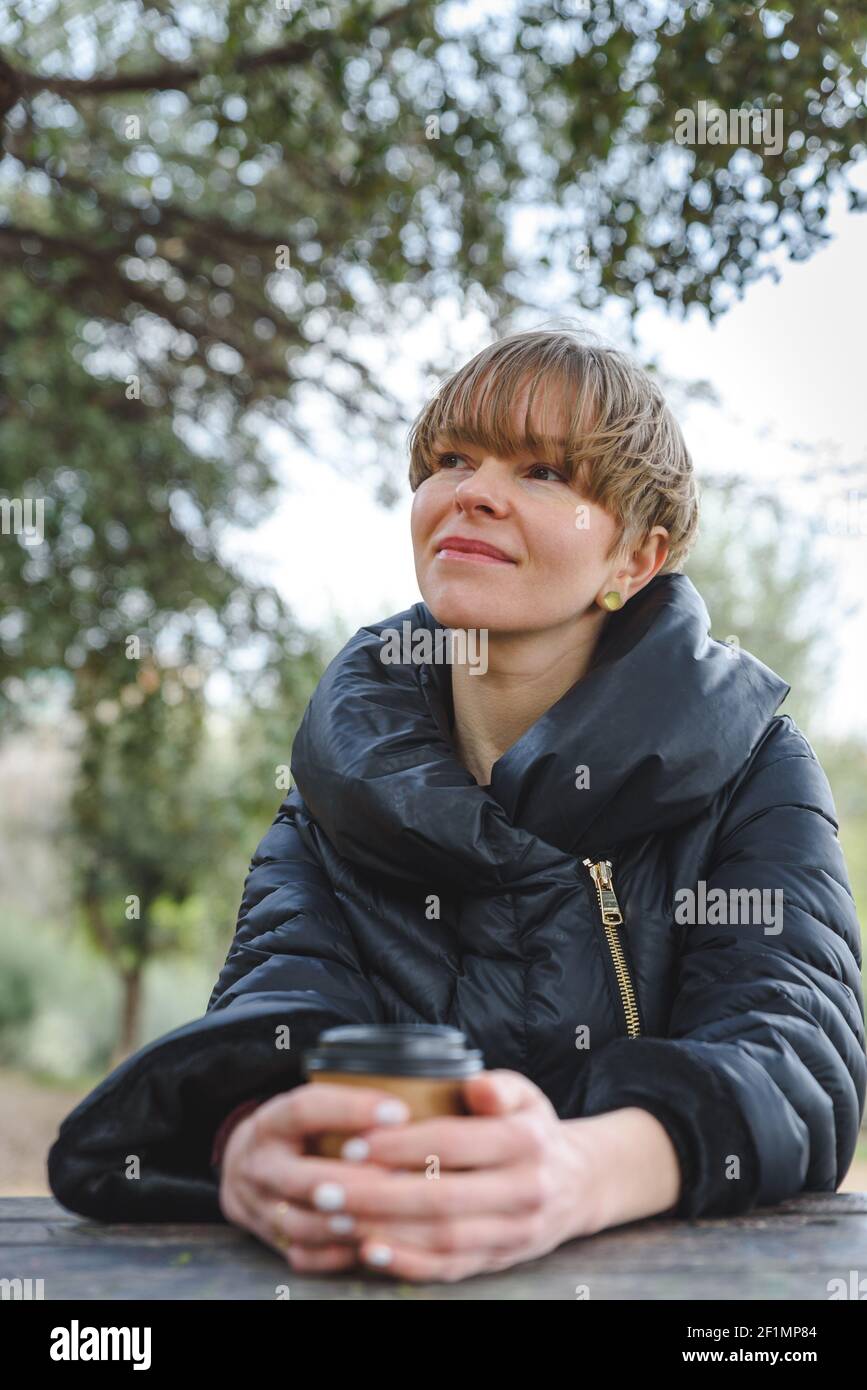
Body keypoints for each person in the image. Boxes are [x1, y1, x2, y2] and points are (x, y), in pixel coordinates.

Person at [48, 327, 866, 1286]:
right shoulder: (335, 779)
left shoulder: (753, 761)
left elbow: (794, 1054)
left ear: (634, 560)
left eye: (546, 472)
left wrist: (578, 1174)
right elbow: (278, 1011)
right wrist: (244, 1141)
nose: (472, 491)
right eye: (452, 459)